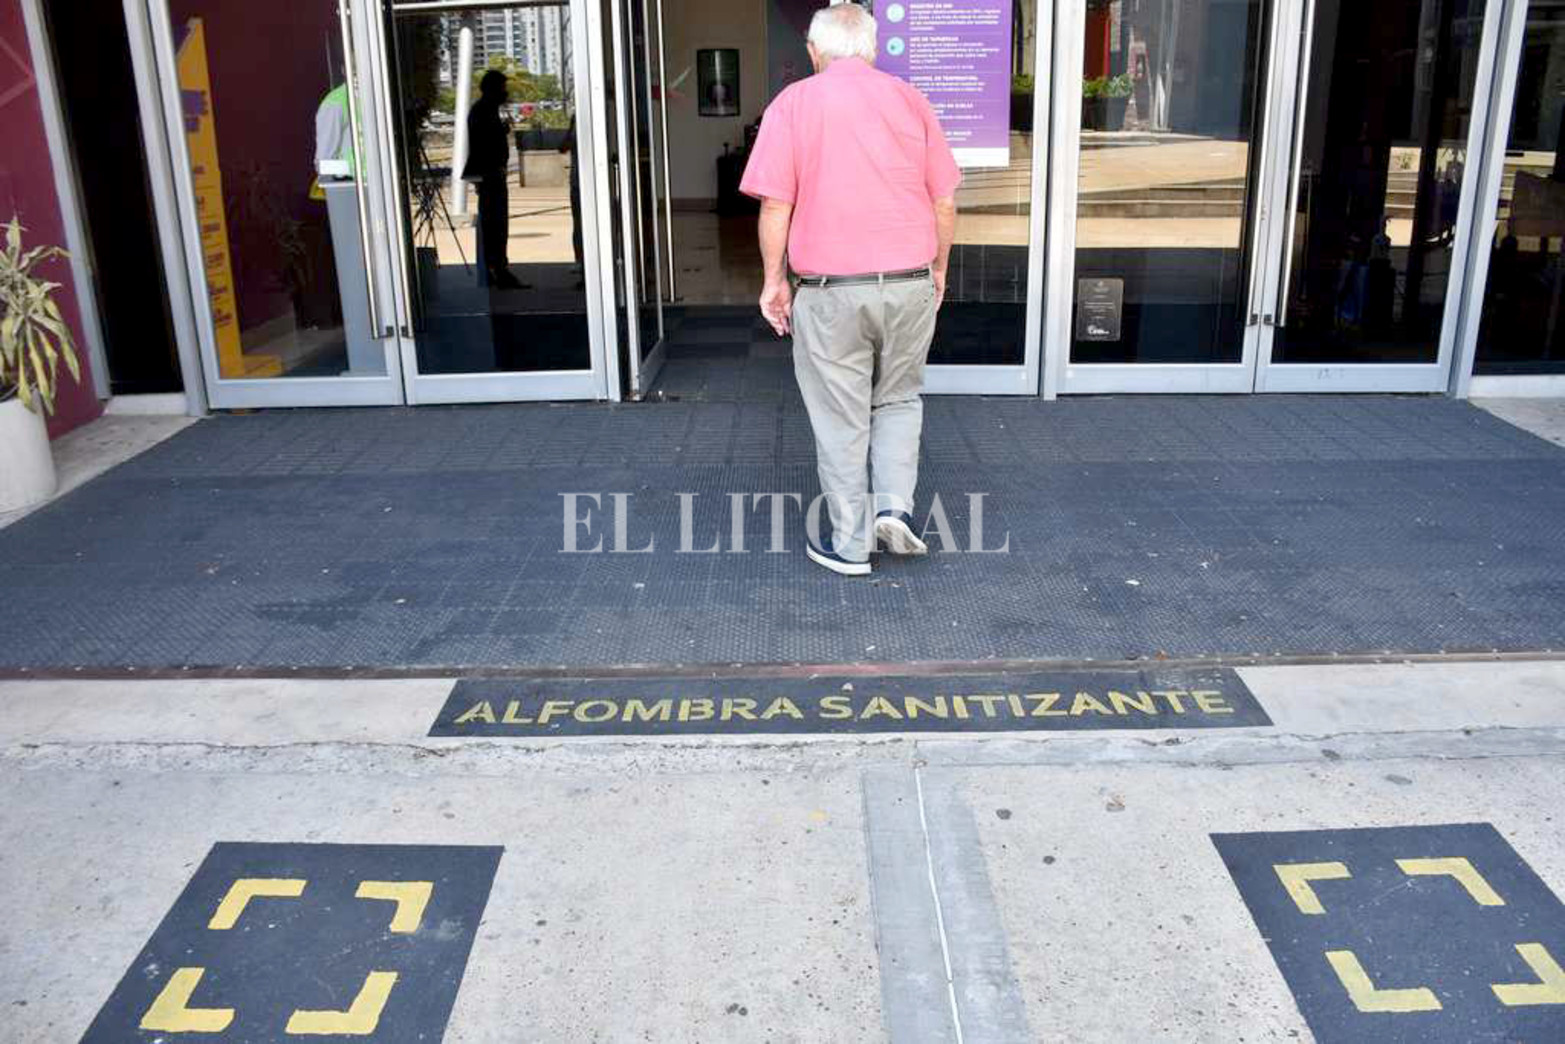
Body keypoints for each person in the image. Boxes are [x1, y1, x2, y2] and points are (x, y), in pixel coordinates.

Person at [739, 2, 959, 577]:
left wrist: (774, 281)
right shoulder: (910, 99)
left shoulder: (795, 103)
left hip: (832, 289)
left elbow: (775, 204)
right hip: (910, 281)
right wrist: (938, 267)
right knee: (900, 396)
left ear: (814, 52)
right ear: (871, 47)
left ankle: (851, 543)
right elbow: (944, 199)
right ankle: (895, 509)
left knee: (841, 416)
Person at [463, 70, 525, 290]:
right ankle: (496, 269)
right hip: (490, 176)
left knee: (496, 224)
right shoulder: (483, 112)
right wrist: (501, 131)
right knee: (495, 224)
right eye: (502, 87)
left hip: (492, 175)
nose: (505, 92)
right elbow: (484, 144)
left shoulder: (485, 111)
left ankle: (496, 268)